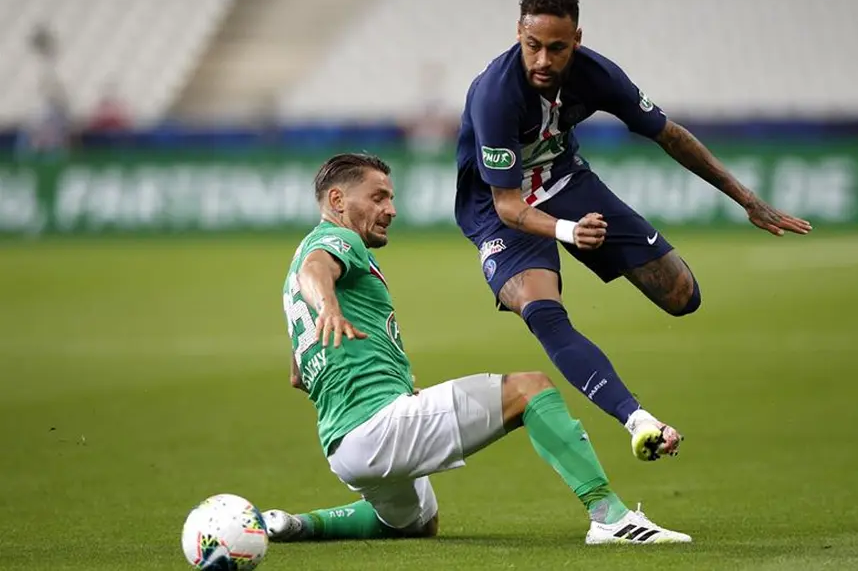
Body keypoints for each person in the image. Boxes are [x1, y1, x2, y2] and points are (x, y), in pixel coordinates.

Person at [453, 0, 812, 461]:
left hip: (563, 179)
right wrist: (567, 232)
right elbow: (509, 206)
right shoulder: (495, 96)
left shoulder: (597, 74)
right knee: (544, 314)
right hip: (501, 207)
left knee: (682, 296)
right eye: (532, 45)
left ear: (576, 40)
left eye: (556, 48)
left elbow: (669, 135)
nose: (542, 60)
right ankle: (637, 420)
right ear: (518, 32)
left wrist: (746, 199)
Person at [264, 153, 692, 545]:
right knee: (530, 390)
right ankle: (611, 519)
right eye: (377, 197)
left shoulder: (291, 280)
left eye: (391, 198)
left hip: (342, 448)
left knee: (415, 524)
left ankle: (297, 524)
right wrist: (330, 307)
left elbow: (298, 375)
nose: (390, 209)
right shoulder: (335, 243)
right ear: (337, 200)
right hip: (379, 429)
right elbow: (315, 269)